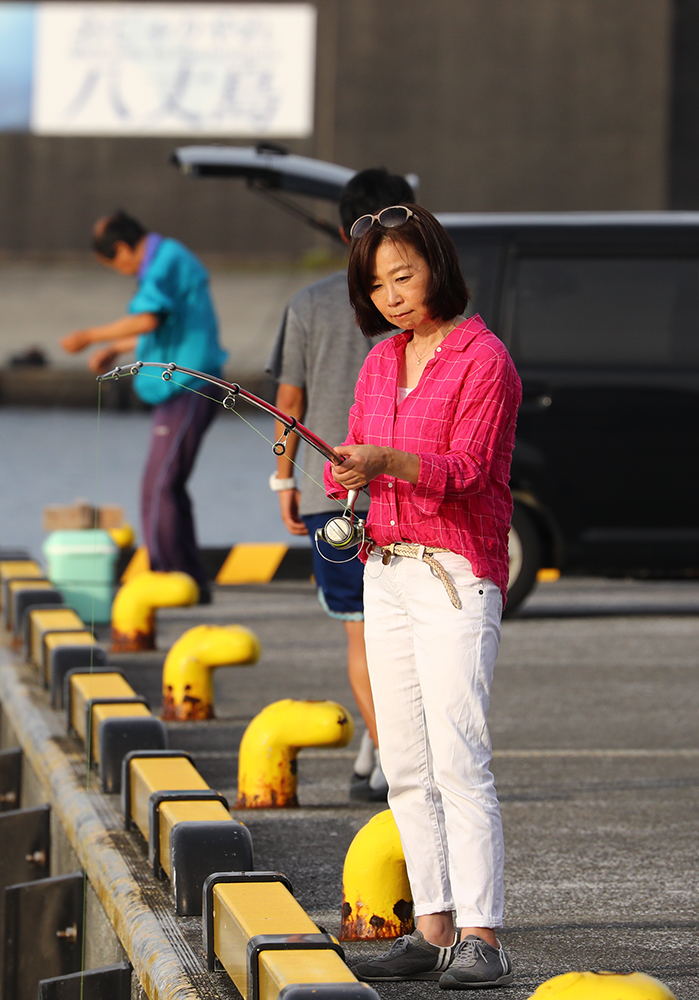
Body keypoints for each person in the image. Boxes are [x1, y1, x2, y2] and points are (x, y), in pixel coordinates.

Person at [324, 204, 521, 989]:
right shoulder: (379, 362)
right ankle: (433, 925)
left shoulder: (485, 359)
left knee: (459, 754)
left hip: (455, 574)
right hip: (387, 568)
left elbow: (467, 469)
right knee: (404, 758)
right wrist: (349, 469)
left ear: (437, 263)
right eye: (377, 285)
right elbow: (360, 453)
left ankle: (484, 935)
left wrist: (386, 460)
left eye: (403, 275)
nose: (392, 296)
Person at [266, 168, 414, 802]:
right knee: (403, 636)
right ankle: (379, 744)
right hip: (409, 493)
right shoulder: (423, 305)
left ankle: (388, 755)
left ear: (338, 224)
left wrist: (281, 477)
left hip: (336, 500)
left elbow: (288, 402)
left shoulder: (310, 303)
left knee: (360, 632)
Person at [60, 211, 227, 595]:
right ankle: (189, 579)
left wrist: (88, 336)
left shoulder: (164, 261)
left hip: (189, 383)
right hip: (183, 382)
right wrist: (115, 348)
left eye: (115, 264)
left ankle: (166, 577)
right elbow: (169, 322)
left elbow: (148, 320)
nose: (122, 272)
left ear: (121, 249)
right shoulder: (170, 257)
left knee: (160, 485)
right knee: (169, 484)